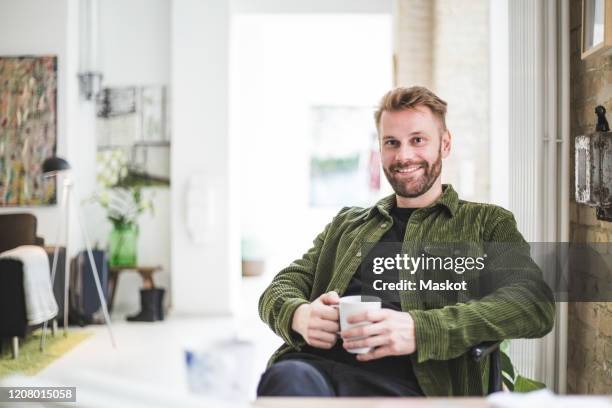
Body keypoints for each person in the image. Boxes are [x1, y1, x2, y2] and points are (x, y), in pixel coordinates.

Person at [256, 86, 555, 397]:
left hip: (408, 388)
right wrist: (298, 314)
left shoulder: (486, 224)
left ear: (445, 143)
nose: (404, 156)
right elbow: (282, 286)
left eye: (418, 140)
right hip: (311, 374)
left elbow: (533, 304)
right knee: (286, 381)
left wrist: (419, 330)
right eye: (392, 143)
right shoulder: (347, 224)